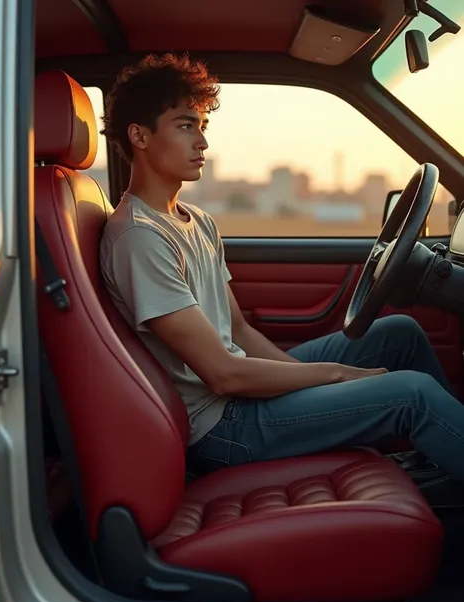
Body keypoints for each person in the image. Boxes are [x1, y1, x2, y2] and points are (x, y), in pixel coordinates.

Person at [99, 52, 464, 480]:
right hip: (221, 428)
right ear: (139, 137)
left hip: (241, 399)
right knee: (413, 394)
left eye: (203, 127)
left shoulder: (195, 220)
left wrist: (309, 380)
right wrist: (338, 376)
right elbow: (224, 374)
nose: (202, 142)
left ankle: (439, 458)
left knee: (399, 333)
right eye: (185, 126)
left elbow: (238, 332)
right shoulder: (138, 237)